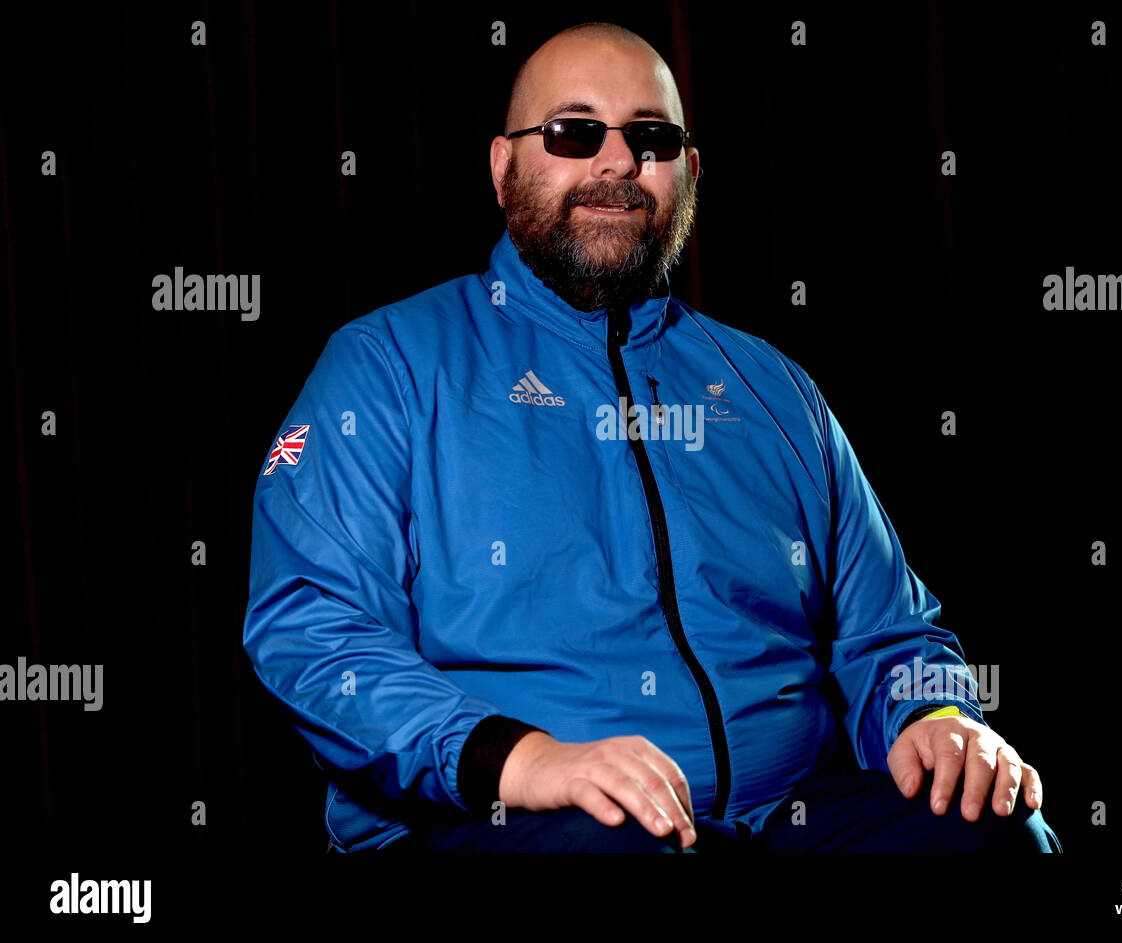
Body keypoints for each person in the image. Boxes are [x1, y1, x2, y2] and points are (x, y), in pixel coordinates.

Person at [242, 21, 1060, 854]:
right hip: (503, 823)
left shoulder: (772, 387)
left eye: (651, 137)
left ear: (690, 172)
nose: (617, 163)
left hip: (784, 820)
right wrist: (517, 759)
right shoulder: (386, 365)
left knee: (999, 832)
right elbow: (311, 629)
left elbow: (892, 630)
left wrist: (938, 712)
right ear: (502, 166)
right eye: (574, 131)